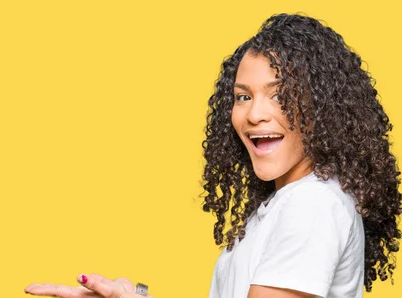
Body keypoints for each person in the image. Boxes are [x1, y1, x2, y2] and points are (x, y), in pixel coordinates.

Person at [24, 13, 402, 298]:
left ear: (324, 107)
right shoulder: (286, 203)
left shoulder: (314, 204)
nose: (255, 114)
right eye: (243, 96)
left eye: (279, 94)